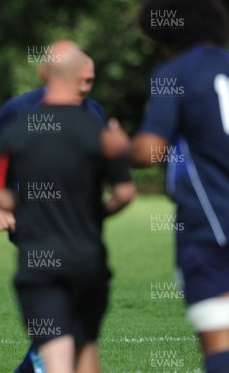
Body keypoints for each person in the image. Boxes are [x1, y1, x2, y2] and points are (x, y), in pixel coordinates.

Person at [0, 40, 135, 373]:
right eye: (85, 79)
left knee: (59, 349)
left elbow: (1, 192)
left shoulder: (21, 132)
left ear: (44, 71)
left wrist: (19, 204)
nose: (86, 87)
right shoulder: (99, 129)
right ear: (75, 76)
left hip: (40, 256)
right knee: (84, 348)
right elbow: (124, 192)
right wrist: (92, 210)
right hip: (87, 256)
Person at [130, 1, 229, 371]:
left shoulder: (175, 72)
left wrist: (112, 147)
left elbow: (151, 150)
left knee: (221, 346)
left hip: (212, 226)